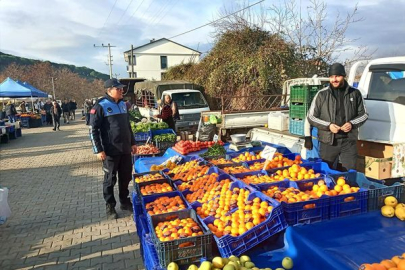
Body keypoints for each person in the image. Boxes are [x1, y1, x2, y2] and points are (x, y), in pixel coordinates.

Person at [307, 63, 368, 171]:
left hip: (348, 141)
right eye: (331, 76)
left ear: (343, 76)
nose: (334, 79)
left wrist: (351, 124)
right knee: (326, 173)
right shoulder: (322, 95)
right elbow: (311, 117)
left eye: (337, 76)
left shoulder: (355, 93)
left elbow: (364, 115)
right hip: (328, 142)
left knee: (350, 173)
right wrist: (328, 126)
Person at [90, 78, 137, 220]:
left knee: (126, 177)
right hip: (110, 150)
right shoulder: (100, 106)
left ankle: (124, 201)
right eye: (118, 89)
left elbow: (127, 126)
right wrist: (98, 150)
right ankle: (110, 206)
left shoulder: (123, 105)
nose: (121, 90)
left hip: (125, 149)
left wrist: (133, 143)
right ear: (109, 90)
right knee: (110, 179)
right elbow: (93, 130)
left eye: (121, 88)